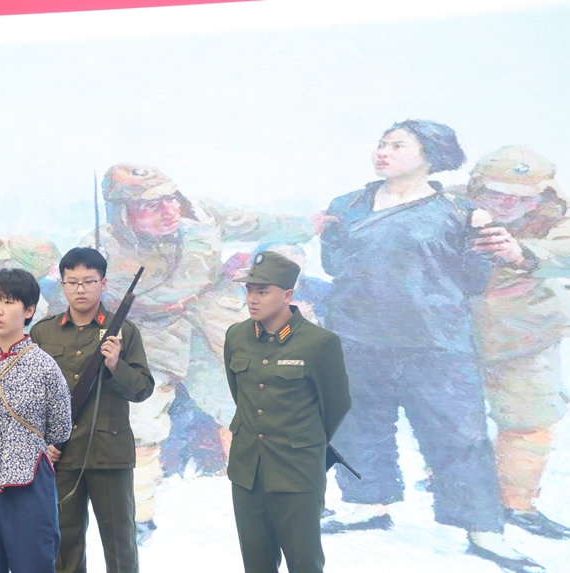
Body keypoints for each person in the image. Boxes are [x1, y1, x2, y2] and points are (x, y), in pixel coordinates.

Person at [320, 120, 543, 572]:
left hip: (435, 340)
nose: (383, 152)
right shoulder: (347, 205)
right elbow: (333, 263)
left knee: (458, 434)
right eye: (381, 144)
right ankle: (368, 504)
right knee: (358, 423)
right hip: (356, 334)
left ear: (430, 155)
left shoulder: (461, 213)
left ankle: (482, 529)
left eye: (398, 145)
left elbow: (474, 279)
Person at [85, 164, 317, 540]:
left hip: (210, 327)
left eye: (170, 199)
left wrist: (309, 225)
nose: (168, 211)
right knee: (138, 426)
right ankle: (137, 517)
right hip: (148, 339)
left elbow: (259, 223)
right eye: (150, 206)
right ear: (122, 212)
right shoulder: (99, 247)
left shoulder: (204, 215)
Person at [464, 145, 570, 539]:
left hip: (528, 337)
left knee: (529, 421)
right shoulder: (447, 207)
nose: (509, 203)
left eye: (524, 197)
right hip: (453, 335)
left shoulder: (559, 216)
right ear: (477, 188)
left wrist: (523, 253)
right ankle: (446, 483)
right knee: (454, 418)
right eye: (497, 193)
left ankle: (517, 503)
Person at [224, 250, 350, 573]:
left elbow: (336, 405)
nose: (253, 299)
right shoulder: (236, 336)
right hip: (247, 471)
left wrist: (303, 442)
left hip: (296, 473)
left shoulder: (319, 342)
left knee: (305, 564)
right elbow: (241, 395)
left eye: (263, 291)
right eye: (249, 290)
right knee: (256, 565)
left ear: (287, 295)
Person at [30, 247, 155, 573]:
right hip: (61, 455)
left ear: (103, 283)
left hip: (108, 453)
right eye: (72, 282)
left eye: (89, 281)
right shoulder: (43, 332)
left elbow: (143, 389)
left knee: (120, 543)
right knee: (63, 545)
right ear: (62, 284)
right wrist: (41, 442)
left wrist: (115, 365)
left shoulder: (124, 331)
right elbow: (32, 397)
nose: (80, 289)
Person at [0, 268, 71, 573]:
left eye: (8, 302)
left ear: (29, 310)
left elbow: (59, 427)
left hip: (29, 483)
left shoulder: (44, 366)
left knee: (33, 565)